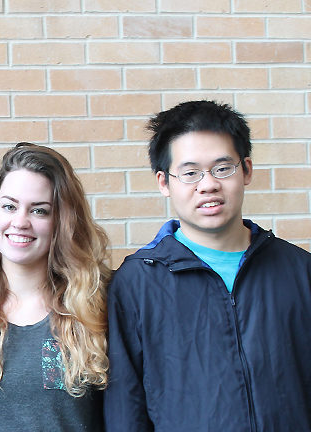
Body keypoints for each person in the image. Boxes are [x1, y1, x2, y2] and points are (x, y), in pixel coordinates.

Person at [104, 100, 311, 431]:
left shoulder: (299, 270)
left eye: (222, 168)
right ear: (163, 182)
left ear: (246, 170)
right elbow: (125, 406)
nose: (208, 184)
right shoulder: (137, 282)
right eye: (190, 173)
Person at [0, 143, 110, 431]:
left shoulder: (96, 302)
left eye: (39, 211)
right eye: (9, 206)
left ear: (61, 221)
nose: (20, 222)